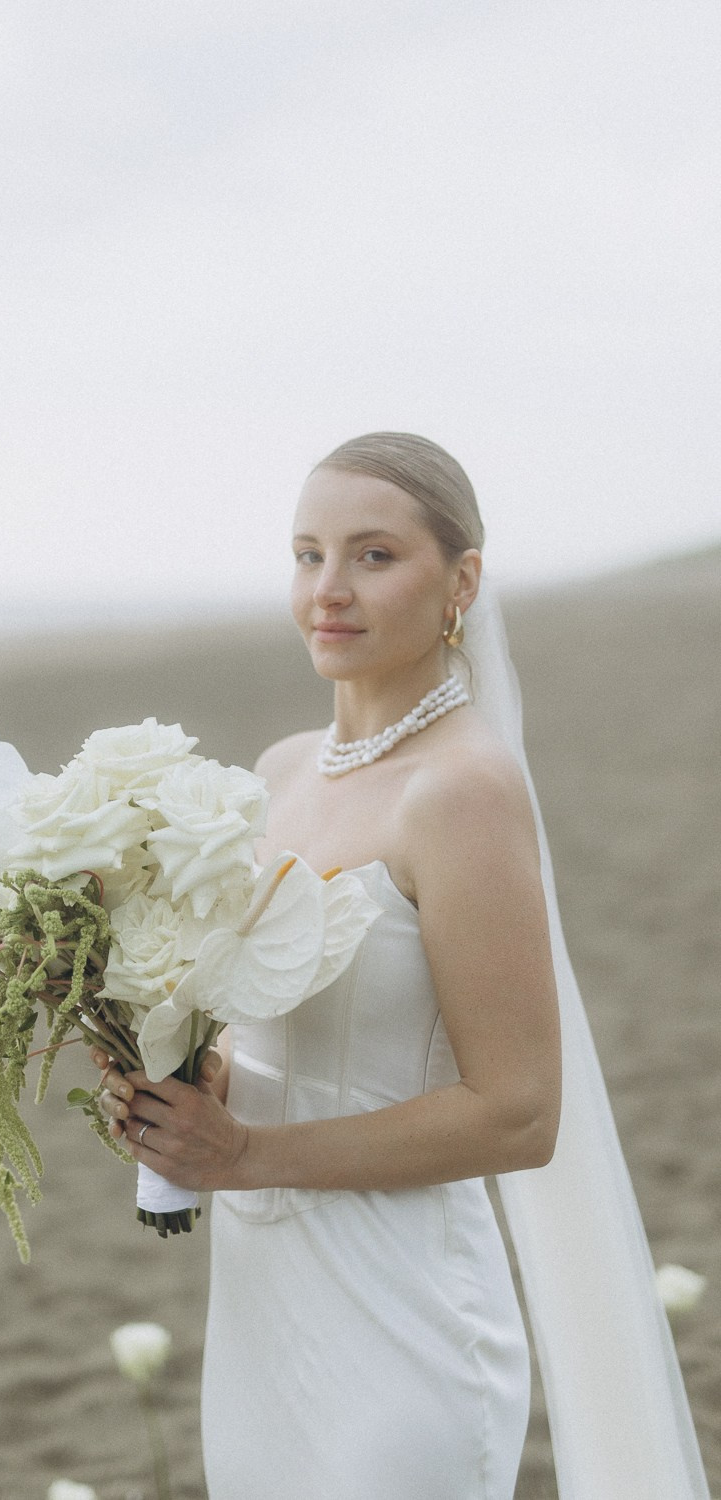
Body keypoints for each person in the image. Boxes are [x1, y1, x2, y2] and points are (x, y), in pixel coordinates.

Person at [94, 433, 709, 1499]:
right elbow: (273, 1017)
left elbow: (517, 1115)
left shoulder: (462, 790)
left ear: (459, 581)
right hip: (259, 1302)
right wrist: (198, 1082)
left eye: (373, 556)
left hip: (402, 1314)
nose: (327, 591)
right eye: (307, 554)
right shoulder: (279, 774)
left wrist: (241, 1153)